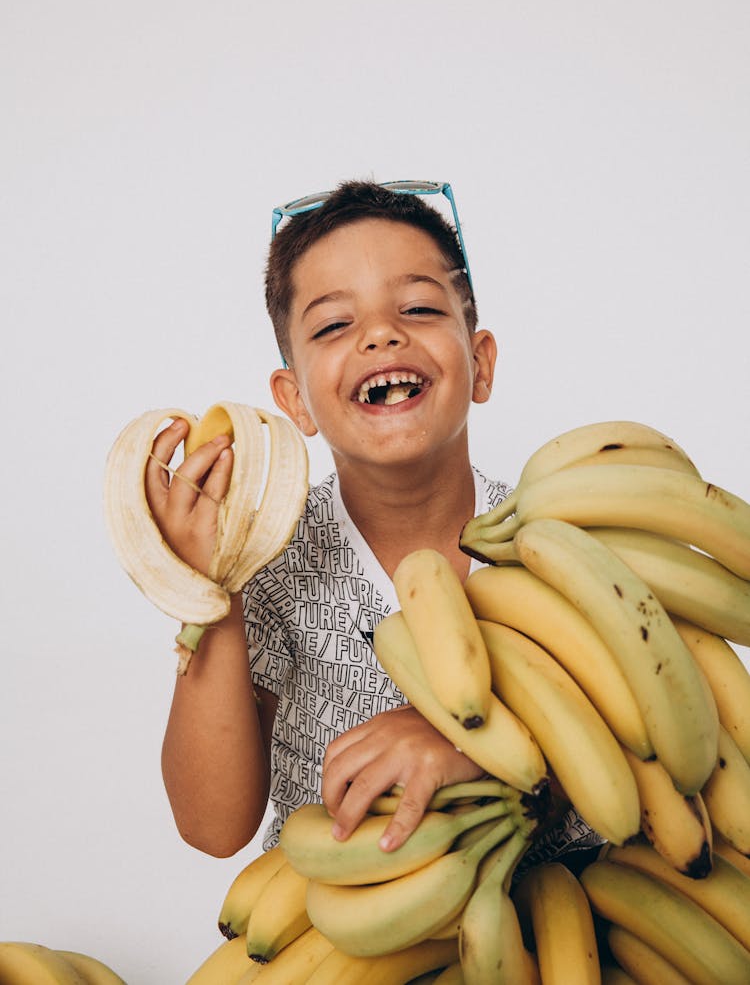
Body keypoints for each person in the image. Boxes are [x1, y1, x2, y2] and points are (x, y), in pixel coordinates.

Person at [147, 180, 602, 867]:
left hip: (562, 921)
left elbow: (642, 748)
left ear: (479, 363)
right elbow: (213, 826)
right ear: (294, 399)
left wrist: (463, 746)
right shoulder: (270, 565)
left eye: (418, 308)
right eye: (333, 325)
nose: (381, 334)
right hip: (336, 936)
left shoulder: (561, 548)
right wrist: (213, 592)